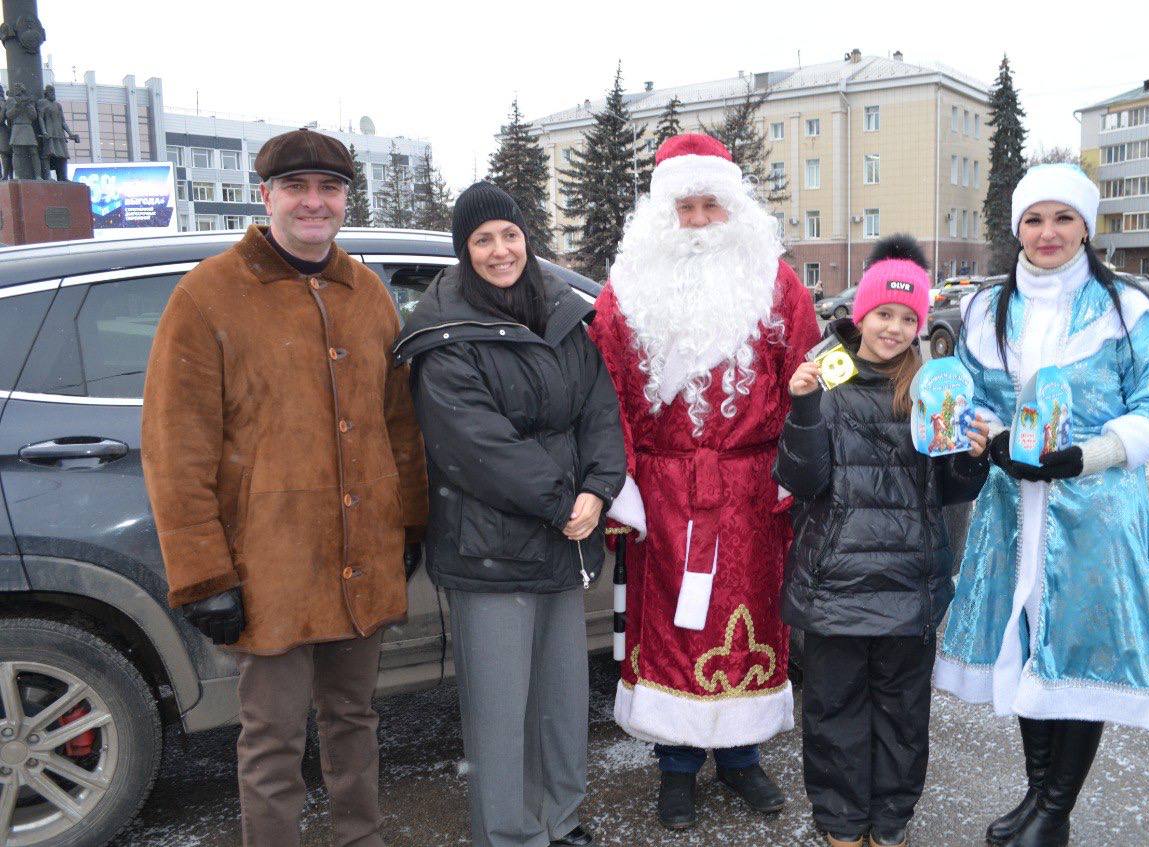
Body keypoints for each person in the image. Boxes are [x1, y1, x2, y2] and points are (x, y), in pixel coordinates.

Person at [141, 128, 430, 847]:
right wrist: (203, 571)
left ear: (343, 200)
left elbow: (398, 423)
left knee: (355, 718)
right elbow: (175, 448)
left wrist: (409, 524)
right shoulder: (208, 295)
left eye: (328, 189)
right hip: (267, 566)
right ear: (264, 195)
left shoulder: (365, 293)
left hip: (361, 557)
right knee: (271, 738)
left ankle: (359, 836)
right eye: (296, 188)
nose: (313, 202)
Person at [933, 164, 1149, 847]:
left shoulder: (1124, 309)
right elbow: (978, 398)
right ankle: (1037, 794)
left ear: (1085, 227)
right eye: (1034, 219)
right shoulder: (989, 308)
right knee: (1026, 652)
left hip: (1095, 515)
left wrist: (1087, 455)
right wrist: (986, 438)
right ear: (1017, 227)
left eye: (1062, 218)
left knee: (1077, 656)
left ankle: (1054, 810)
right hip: (1014, 508)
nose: (1047, 232)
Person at [589, 133, 821, 830]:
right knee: (671, 625)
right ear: (663, 216)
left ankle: (743, 756)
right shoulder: (623, 290)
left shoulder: (775, 283)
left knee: (751, 618)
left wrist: (798, 471)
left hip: (752, 488)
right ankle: (677, 765)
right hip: (663, 490)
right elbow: (608, 394)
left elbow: (806, 378)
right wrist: (621, 487)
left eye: (708, 207)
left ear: (733, 211)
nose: (695, 222)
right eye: (683, 208)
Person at [393, 181, 626, 847]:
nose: (500, 250)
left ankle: (560, 818)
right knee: (500, 712)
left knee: (559, 700)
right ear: (464, 252)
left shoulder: (560, 314)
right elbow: (474, 444)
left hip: (565, 539)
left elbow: (599, 412)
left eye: (509, 235)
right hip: (489, 547)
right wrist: (563, 500)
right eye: (482, 240)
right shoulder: (444, 334)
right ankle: (509, 833)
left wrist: (599, 487)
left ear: (527, 238)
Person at [775, 235, 990, 847]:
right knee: (834, 714)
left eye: (907, 318)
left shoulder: (933, 388)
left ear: (920, 325)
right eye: (882, 314)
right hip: (836, 586)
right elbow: (800, 479)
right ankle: (842, 826)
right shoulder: (824, 377)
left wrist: (971, 459)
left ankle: (889, 823)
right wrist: (804, 410)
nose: (893, 328)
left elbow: (949, 491)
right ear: (859, 315)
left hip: (908, 587)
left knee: (901, 718)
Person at [37, 85, 78, 181]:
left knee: (63, 155)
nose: (53, 93)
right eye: (50, 91)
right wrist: (44, 131)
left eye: (53, 91)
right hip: (49, 132)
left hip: (59, 133)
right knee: (48, 153)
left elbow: (63, 121)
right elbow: (40, 118)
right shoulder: (42, 103)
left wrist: (70, 134)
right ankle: (47, 176)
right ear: (46, 93)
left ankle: (63, 177)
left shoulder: (58, 105)